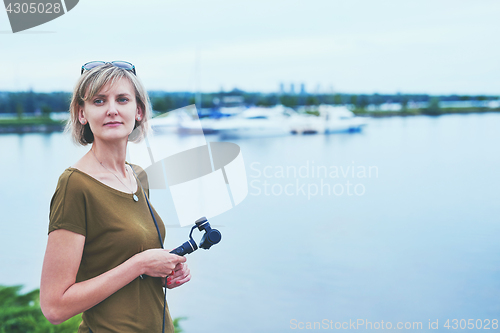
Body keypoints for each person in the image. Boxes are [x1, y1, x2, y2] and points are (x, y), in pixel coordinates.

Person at [40, 61, 190, 333]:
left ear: (139, 111)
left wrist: (165, 267)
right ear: (82, 113)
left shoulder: (138, 176)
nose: (112, 110)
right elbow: (54, 307)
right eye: (99, 101)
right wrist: (140, 264)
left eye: (122, 99)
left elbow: (122, 258)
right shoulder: (75, 185)